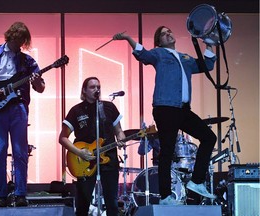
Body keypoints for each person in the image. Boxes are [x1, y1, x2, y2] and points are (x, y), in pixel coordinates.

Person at [113, 26, 217, 205]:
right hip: (165, 107)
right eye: (163, 33)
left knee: (209, 137)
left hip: (183, 109)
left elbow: (207, 65)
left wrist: (209, 45)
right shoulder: (159, 53)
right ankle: (166, 196)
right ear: (159, 41)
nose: (168, 34)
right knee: (167, 150)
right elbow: (143, 55)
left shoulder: (185, 58)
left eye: (170, 31)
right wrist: (128, 38)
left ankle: (197, 181)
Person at [0, 22, 45, 207]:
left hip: (18, 107)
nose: (20, 44)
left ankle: (21, 193)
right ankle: (1, 194)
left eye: (23, 41)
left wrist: (36, 82)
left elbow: (41, 88)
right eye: (17, 39)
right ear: (10, 36)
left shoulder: (27, 61)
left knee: (20, 151)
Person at [59, 77, 126, 216]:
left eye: (98, 87)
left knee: (112, 202)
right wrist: (80, 152)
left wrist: (121, 138)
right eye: (92, 87)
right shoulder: (76, 111)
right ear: (84, 90)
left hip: (109, 158)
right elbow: (63, 138)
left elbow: (119, 131)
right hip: (85, 160)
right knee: (83, 203)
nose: (97, 89)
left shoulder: (109, 107)